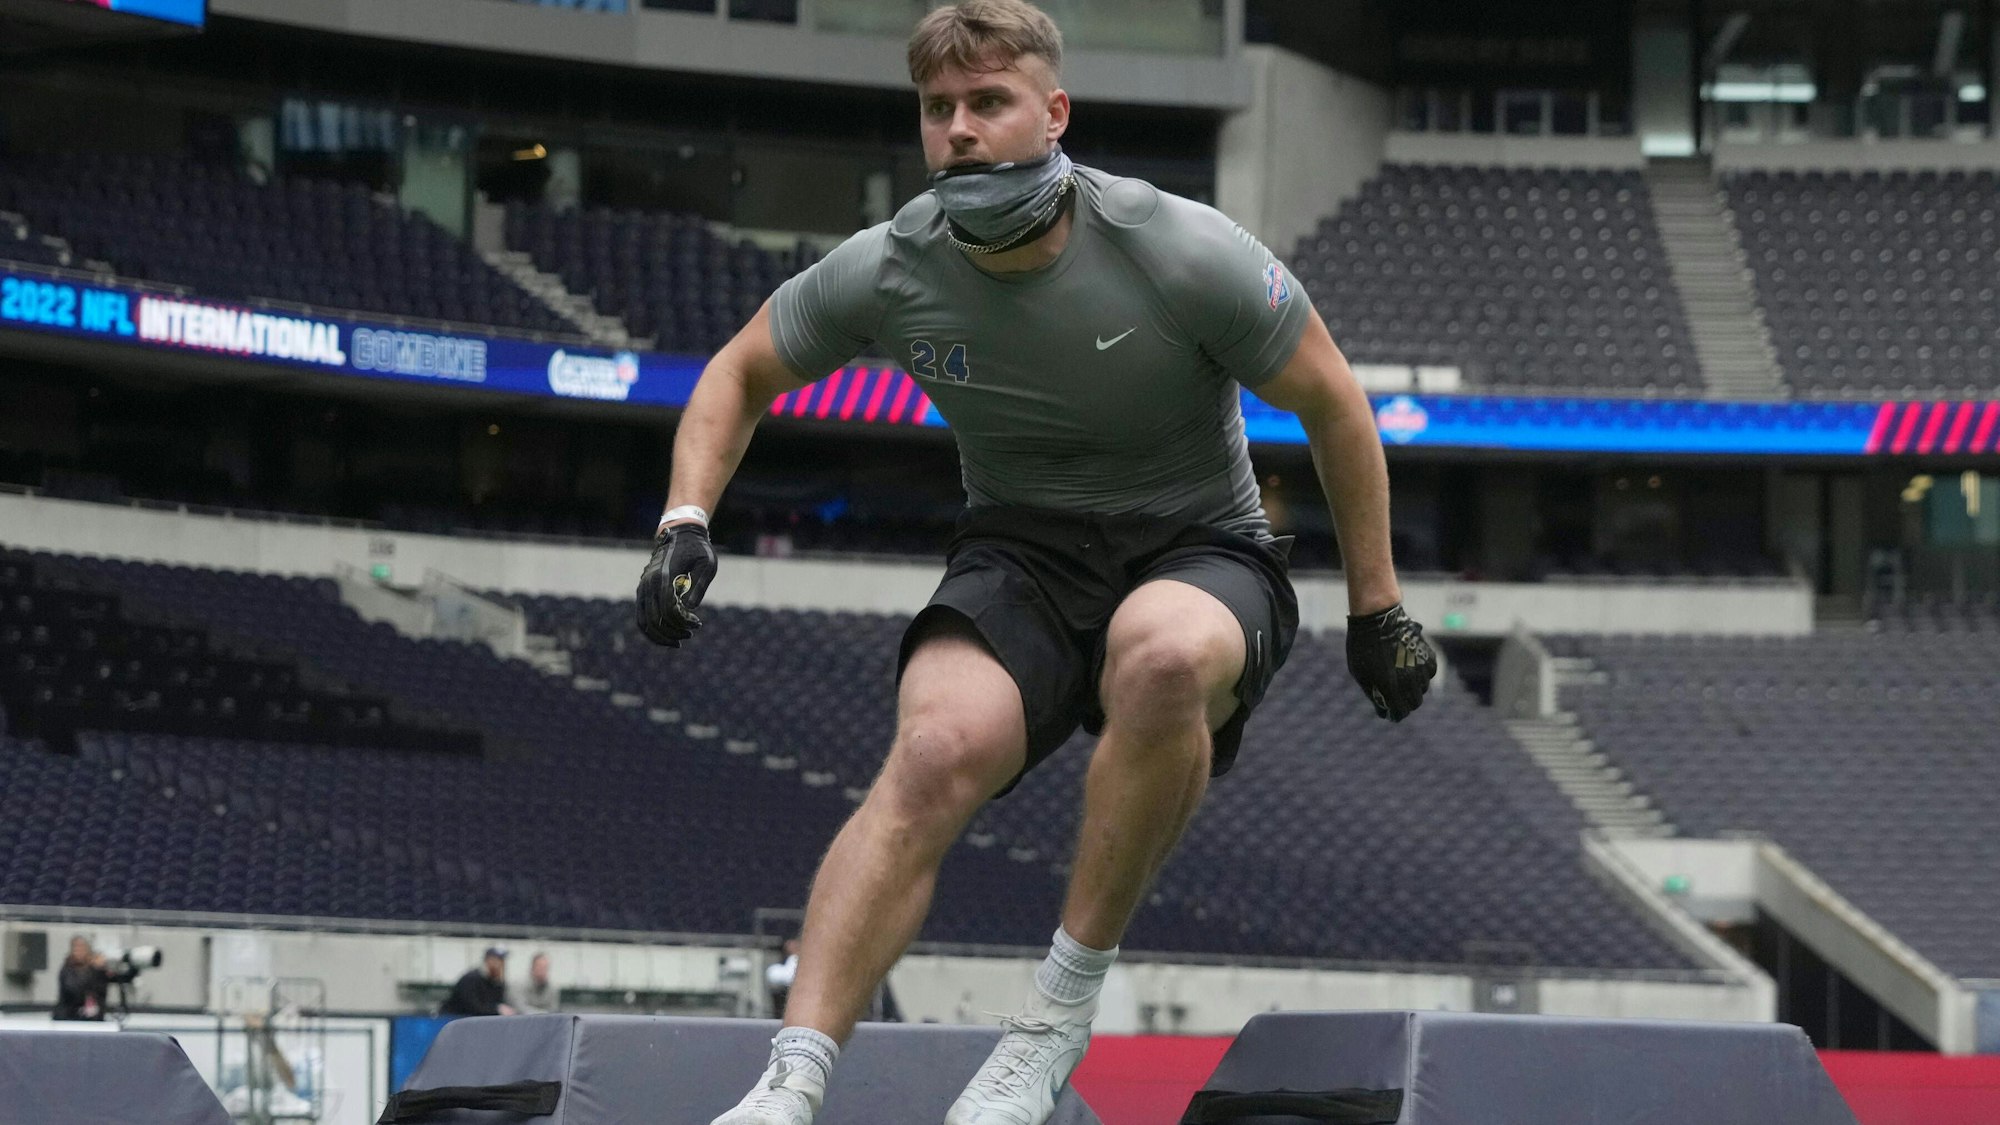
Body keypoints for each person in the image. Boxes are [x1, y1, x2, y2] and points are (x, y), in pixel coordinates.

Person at [635, 3, 1438, 1122]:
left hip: (1199, 542)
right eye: (937, 109)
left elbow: (1335, 402)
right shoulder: (892, 264)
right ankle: (788, 1083)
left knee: (1162, 657)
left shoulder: (1175, 245)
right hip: (1020, 546)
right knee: (933, 750)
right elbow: (738, 371)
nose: (959, 129)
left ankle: (1050, 1024)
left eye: (988, 102)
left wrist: (1376, 609)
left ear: (1053, 112)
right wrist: (684, 519)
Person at [53, 936, 133, 1021]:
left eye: (82, 948)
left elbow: (123, 979)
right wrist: (94, 968)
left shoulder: (98, 971)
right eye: (76, 948)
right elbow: (75, 990)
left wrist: (128, 964)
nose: (79, 951)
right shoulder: (67, 970)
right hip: (69, 1018)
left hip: (95, 1019)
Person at [438, 947, 516, 1017]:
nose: (500, 965)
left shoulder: (497, 982)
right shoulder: (471, 979)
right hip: (454, 1019)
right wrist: (497, 1009)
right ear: (488, 961)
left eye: (502, 961)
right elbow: (472, 1007)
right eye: (497, 960)